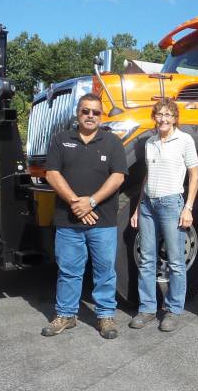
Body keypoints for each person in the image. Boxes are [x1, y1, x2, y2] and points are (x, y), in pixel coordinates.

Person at [41, 93, 128, 339]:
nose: (90, 116)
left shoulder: (112, 142)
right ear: (77, 114)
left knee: (104, 270)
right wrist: (74, 203)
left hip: (103, 221)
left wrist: (90, 202)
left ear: (102, 116)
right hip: (68, 220)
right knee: (69, 270)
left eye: (95, 112)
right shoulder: (60, 139)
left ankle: (105, 316)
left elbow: (118, 176)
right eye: (85, 111)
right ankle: (66, 315)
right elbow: (52, 174)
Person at [129, 98, 198, 332]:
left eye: (168, 114)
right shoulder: (150, 142)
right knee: (147, 259)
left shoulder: (185, 140)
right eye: (160, 114)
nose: (164, 118)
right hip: (149, 204)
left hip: (172, 204)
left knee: (176, 261)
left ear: (175, 118)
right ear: (155, 117)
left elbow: (194, 176)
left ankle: (173, 310)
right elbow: (147, 177)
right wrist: (139, 207)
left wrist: (188, 207)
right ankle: (147, 309)